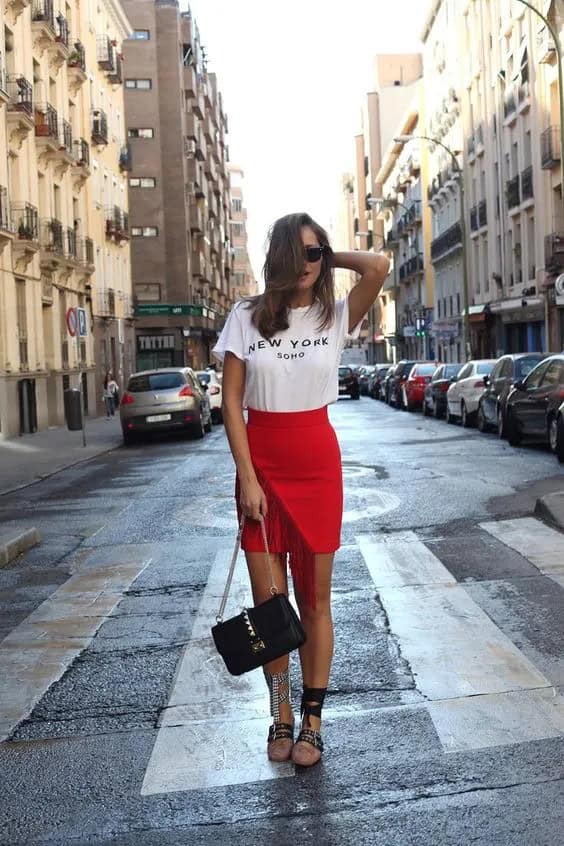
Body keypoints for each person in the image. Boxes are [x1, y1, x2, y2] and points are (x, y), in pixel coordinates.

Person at [212, 212, 389, 768]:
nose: (312, 263)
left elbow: (379, 265)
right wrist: (247, 476)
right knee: (270, 605)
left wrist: (327, 257)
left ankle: (313, 720)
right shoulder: (245, 317)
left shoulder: (332, 316)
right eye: (304, 253)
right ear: (283, 256)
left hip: (316, 465)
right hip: (261, 465)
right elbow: (232, 403)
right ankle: (280, 713)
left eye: (319, 254)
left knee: (315, 602)